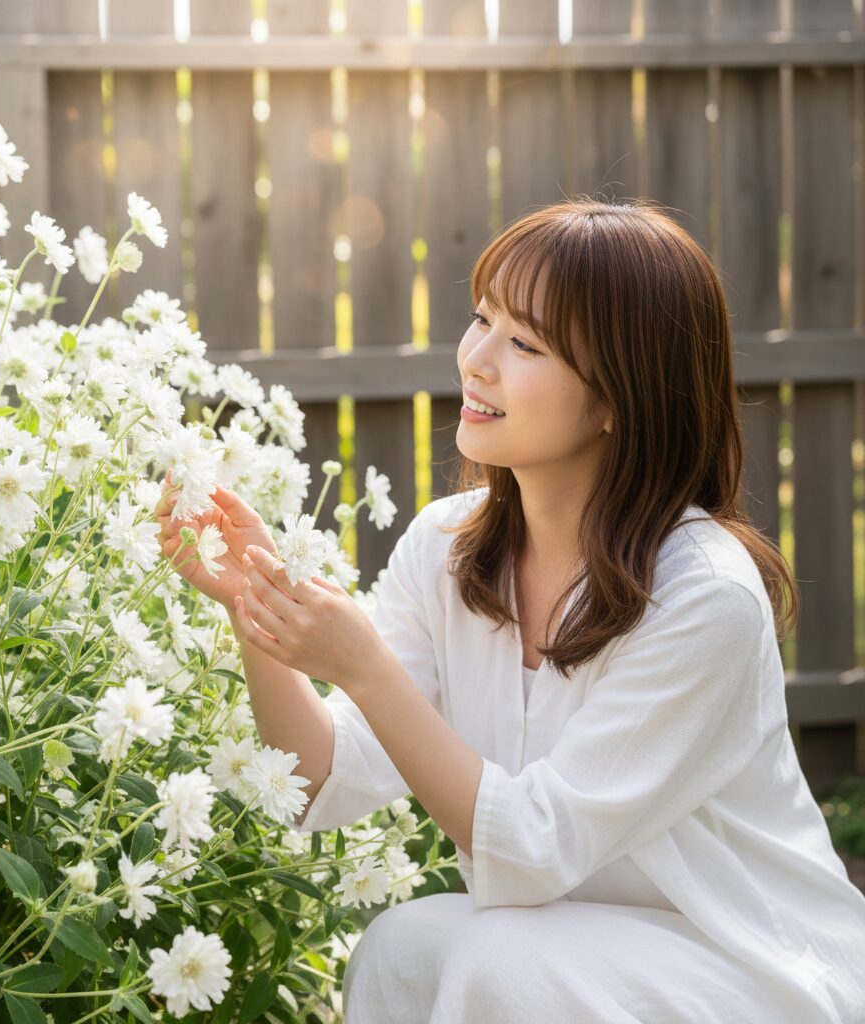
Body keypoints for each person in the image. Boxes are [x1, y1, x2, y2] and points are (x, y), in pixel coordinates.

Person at [156, 197, 865, 1023]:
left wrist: (366, 669)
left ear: (618, 400)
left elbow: (531, 851)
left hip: (748, 959)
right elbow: (320, 782)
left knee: (503, 959)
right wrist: (260, 612)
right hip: (575, 942)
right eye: (480, 319)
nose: (477, 361)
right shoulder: (447, 548)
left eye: (525, 343)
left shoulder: (705, 595)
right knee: (398, 946)